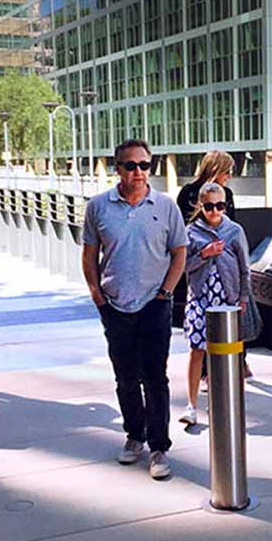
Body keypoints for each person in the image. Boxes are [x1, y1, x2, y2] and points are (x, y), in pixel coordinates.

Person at [82, 139, 188, 480]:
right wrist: (97, 295)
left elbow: (180, 252)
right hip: (115, 306)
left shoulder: (166, 205)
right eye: (132, 165)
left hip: (155, 305)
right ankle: (134, 437)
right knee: (125, 377)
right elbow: (89, 255)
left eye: (145, 165)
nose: (140, 172)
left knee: (155, 378)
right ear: (118, 169)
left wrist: (166, 293)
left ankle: (159, 447)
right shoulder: (98, 207)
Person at [180, 181, 251, 427]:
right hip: (199, 298)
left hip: (227, 299)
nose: (215, 211)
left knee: (227, 354)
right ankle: (191, 405)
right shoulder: (190, 232)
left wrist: (242, 297)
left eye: (220, 205)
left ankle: (223, 404)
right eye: (209, 206)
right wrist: (204, 254)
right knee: (197, 349)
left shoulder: (234, 231)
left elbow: (245, 268)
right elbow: (182, 266)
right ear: (201, 205)